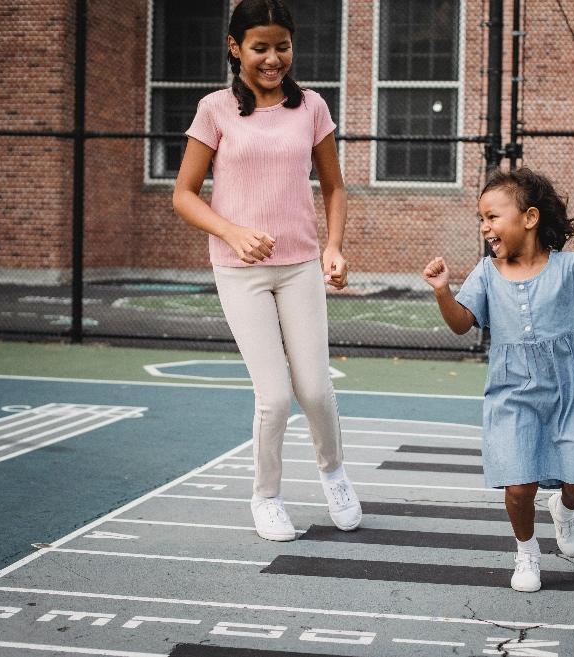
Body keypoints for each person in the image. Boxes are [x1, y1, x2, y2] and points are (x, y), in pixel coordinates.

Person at [172, 0, 360, 542]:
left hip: (300, 266)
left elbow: (334, 187)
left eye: (282, 46)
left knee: (316, 391)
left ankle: (334, 475)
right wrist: (232, 232)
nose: (273, 58)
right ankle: (267, 497)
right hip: (240, 271)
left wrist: (334, 248)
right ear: (235, 48)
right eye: (260, 47)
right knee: (274, 397)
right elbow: (184, 195)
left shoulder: (312, 107)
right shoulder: (214, 110)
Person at [422, 167, 574, 592]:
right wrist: (443, 291)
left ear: (530, 218)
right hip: (514, 391)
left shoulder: (571, 268)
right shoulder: (486, 273)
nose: (485, 227)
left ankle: (565, 509)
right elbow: (462, 323)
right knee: (519, 485)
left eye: (492, 217)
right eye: (481, 219)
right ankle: (526, 552)